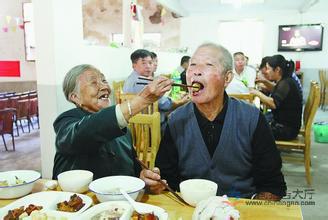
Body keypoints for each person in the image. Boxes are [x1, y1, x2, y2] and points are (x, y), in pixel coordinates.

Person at [150, 43, 286, 201]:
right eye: (192, 65)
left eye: (208, 65)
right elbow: (167, 181)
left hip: (239, 210)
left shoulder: (252, 119)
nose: (196, 71)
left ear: (227, 78)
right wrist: (156, 184)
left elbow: (273, 186)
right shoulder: (175, 121)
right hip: (190, 208)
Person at [52, 64, 171, 190]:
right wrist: (141, 101)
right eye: (94, 82)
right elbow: (84, 133)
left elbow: (133, 172)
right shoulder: (66, 121)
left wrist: (144, 180)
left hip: (119, 205)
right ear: (75, 97)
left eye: (103, 80)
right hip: (78, 203)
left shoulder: (123, 129)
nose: (104, 86)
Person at [123, 49, 189, 134]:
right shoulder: (143, 81)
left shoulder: (130, 79)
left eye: (150, 63)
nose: (148, 66)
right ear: (134, 65)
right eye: (143, 63)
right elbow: (164, 105)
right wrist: (181, 102)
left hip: (134, 128)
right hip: (149, 129)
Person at [250, 55, 302, 141]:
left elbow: (273, 104)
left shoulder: (286, 83)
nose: (267, 72)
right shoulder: (285, 80)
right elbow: (276, 89)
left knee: (253, 128)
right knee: (257, 119)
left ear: (277, 70)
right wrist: (265, 81)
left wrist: (257, 93)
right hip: (286, 124)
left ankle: (261, 152)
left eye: (268, 69)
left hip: (286, 130)